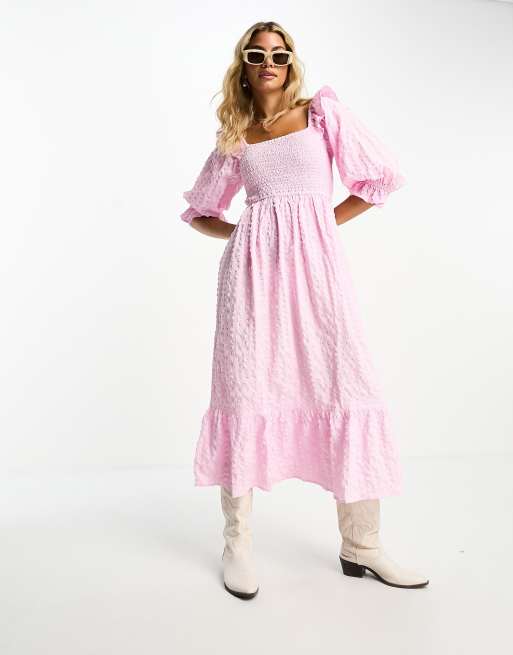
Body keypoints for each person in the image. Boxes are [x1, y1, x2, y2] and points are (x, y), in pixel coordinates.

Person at [180, 20, 429, 599]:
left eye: (280, 53)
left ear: (291, 62)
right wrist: (244, 234)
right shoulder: (237, 135)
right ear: (243, 66)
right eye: (257, 54)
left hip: (318, 272)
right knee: (244, 391)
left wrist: (321, 224)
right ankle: (237, 545)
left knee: (347, 385)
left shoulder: (321, 114)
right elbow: (200, 212)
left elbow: (378, 180)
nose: (269, 62)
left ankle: (362, 544)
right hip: (250, 280)